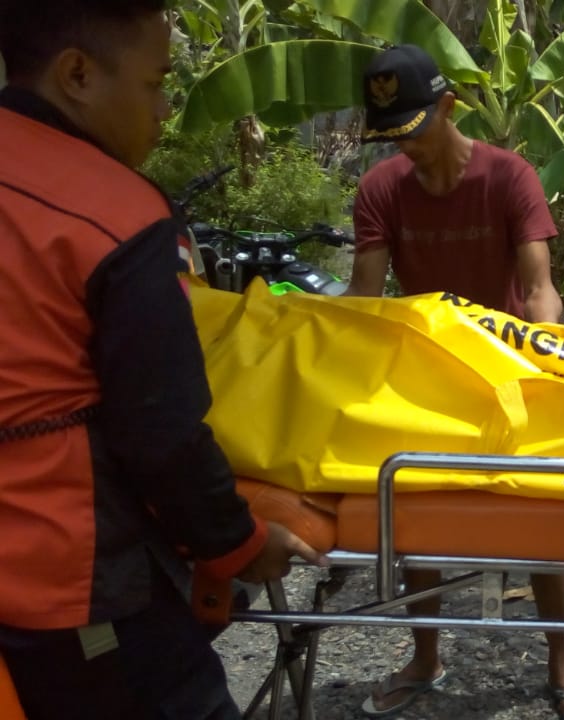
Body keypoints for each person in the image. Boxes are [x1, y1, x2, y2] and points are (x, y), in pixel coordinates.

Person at [0, 2, 326, 719]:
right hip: (65, 580)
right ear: (78, 74)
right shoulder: (115, 214)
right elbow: (163, 433)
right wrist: (239, 547)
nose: (164, 108)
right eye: (154, 83)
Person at [345, 45, 564, 720]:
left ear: (449, 107)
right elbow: (365, 298)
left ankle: (561, 657)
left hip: (509, 367)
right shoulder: (380, 191)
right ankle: (426, 657)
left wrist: (548, 363)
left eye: (415, 132)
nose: (409, 151)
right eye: (393, 137)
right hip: (425, 371)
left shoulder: (508, 177)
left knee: (537, 514)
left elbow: (540, 288)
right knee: (418, 517)